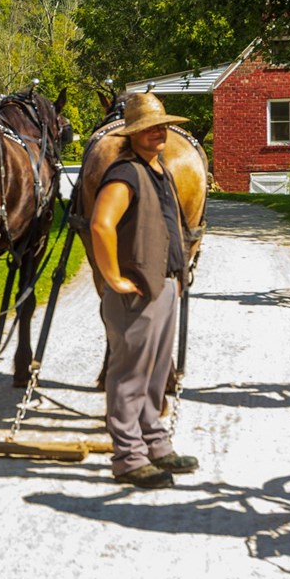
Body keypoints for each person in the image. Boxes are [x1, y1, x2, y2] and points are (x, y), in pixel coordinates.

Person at [90, 92, 199, 488]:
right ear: (132, 134)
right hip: (136, 290)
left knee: (155, 373)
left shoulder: (159, 171)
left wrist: (177, 278)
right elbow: (101, 224)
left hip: (164, 284)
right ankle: (129, 458)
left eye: (162, 126)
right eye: (149, 128)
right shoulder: (125, 173)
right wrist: (113, 278)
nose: (159, 132)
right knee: (129, 375)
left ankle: (156, 445)